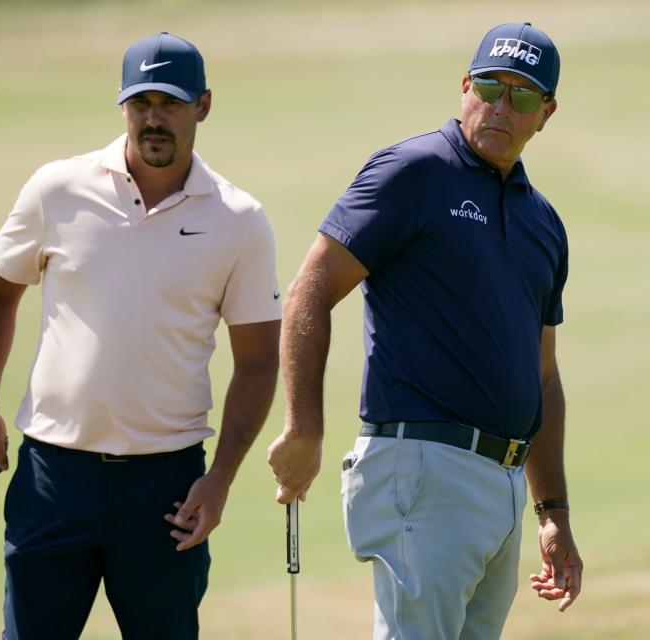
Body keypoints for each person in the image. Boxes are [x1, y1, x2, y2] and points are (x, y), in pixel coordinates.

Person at [268, 22, 582, 639]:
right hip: (421, 466)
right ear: (466, 85)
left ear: (545, 113)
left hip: (504, 484)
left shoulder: (542, 220)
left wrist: (554, 512)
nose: (500, 106)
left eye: (522, 97)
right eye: (490, 86)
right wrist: (304, 426)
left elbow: (542, 375)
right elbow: (310, 288)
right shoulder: (411, 172)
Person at [0, 32, 281, 639]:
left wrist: (220, 480)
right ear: (122, 105)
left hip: (167, 490)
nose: (153, 119)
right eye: (141, 104)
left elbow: (259, 360)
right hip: (54, 475)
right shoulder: (57, 189)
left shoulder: (238, 220)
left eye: (170, 104)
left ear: (204, 105)